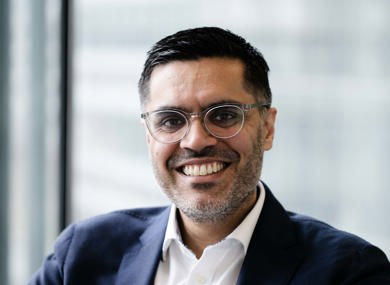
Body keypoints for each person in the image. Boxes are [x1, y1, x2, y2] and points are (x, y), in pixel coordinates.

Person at [29, 27, 390, 285]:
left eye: (223, 115)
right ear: (148, 136)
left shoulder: (348, 271)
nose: (196, 140)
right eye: (170, 120)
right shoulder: (81, 255)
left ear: (267, 127)